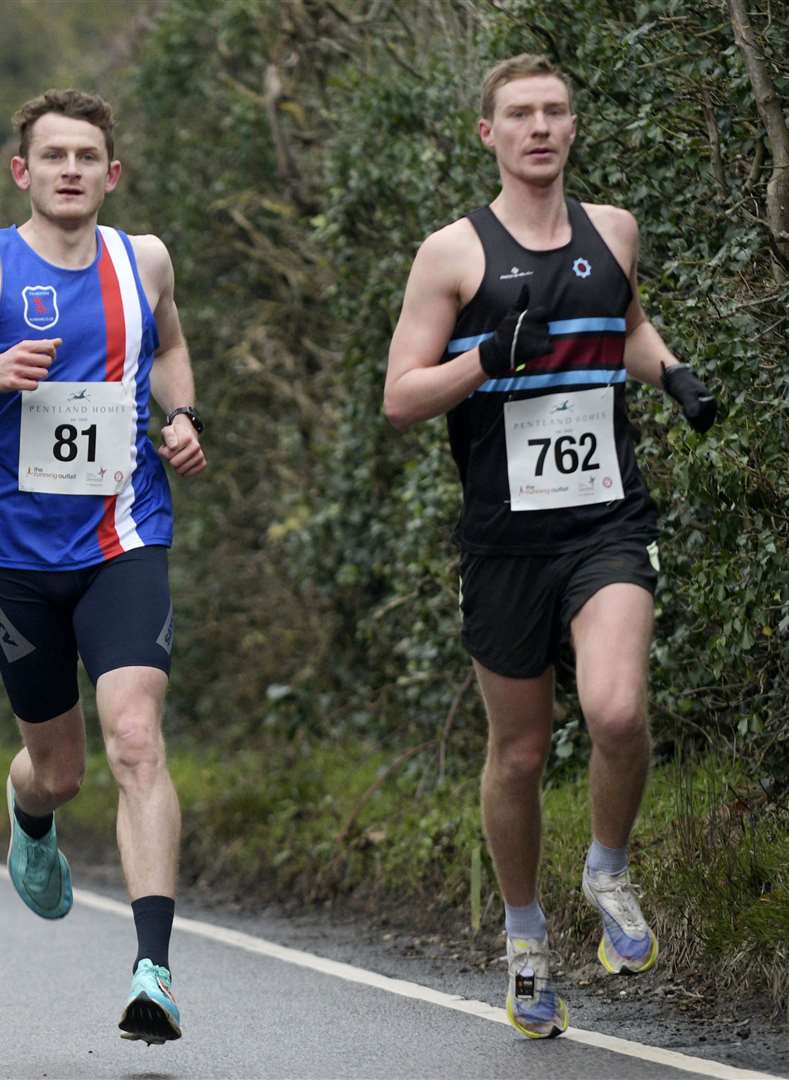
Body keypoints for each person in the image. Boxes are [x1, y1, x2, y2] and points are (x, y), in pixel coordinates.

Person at [383, 54, 717, 1039]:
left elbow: (624, 324)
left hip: (604, 520)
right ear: (484, 133)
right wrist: (485, 357)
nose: (539, 127)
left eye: (554, 111)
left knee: (615, 710)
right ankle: (524, 942)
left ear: (573, 127)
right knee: (519, 751)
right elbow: (399, 397)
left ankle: (606, 868)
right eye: (519, 114)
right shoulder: (451, 254)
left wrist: (672, 374)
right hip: (501, 541)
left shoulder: (612, 231)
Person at [0, 88, 206, 1046]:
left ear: (111, 172)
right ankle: (29, 811)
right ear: (23, 171)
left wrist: (181, 420)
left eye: (86, 156)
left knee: (135, 736)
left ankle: (153, 970)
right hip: (16, 559)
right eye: (51, 156)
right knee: (59, 771)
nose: (69, 170)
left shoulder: (143, 261)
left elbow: (172, 346)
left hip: (123, 535)